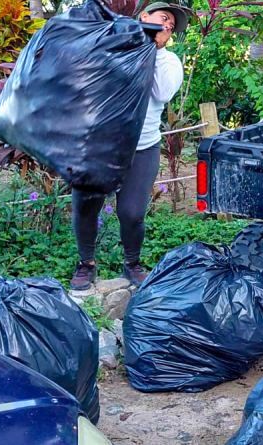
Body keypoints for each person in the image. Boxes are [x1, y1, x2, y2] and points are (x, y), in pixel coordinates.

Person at [70, 1, 190, 290]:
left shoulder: (169, 61)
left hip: (143, 147)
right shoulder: (111, 45)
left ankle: (132, 263)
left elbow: (161, 91)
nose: (167, 27)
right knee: (86, 205)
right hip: (100, 146)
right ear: (144, 17)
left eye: (171, 28)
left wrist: (154, 49)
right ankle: (86, 263)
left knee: (132, 213)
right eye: (164, 19)